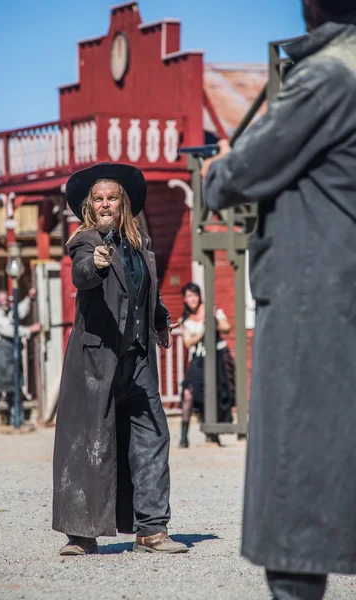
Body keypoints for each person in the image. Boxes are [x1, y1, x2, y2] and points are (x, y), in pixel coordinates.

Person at [202, 1, 356, 598]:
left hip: (314, 303)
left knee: (295, 477)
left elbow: (235, 174)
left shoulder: (327, 74)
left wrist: (215, 167)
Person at [53, 162, 188, 556]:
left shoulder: (141, 243)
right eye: (99, 199)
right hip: (97, 362)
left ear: (123, 203)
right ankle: (81, 535)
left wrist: (160, 319)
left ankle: (151, 529)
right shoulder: (85, 241)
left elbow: (145, 290)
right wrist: (93, 265)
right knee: (91, 442)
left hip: (138, 358)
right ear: (90, 206)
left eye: (112, 197)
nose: (106, 204)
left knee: (152, 438)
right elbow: (82, 273)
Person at [179, 282, 235, 448]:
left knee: (216, 393)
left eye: (195, 295)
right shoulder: (185, 319)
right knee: (188, 393)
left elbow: (226, 327)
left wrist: (213, 321)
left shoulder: (211, 310)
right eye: (189, 296)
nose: (192, 299)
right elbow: (188, 342)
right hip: (198, 359)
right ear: (185, 299)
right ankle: (184, 435)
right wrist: (203, 330)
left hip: (217, 356)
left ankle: (213, 434)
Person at [0, 288, 41, 426]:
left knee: (14, 388)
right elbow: (9, 330)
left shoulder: (8, 311)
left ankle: (16, 419)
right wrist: (29, 330)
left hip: (8, 357)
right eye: (1, 300)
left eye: (6, 299)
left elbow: (19, 312)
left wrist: (29, 299)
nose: (4, 302)